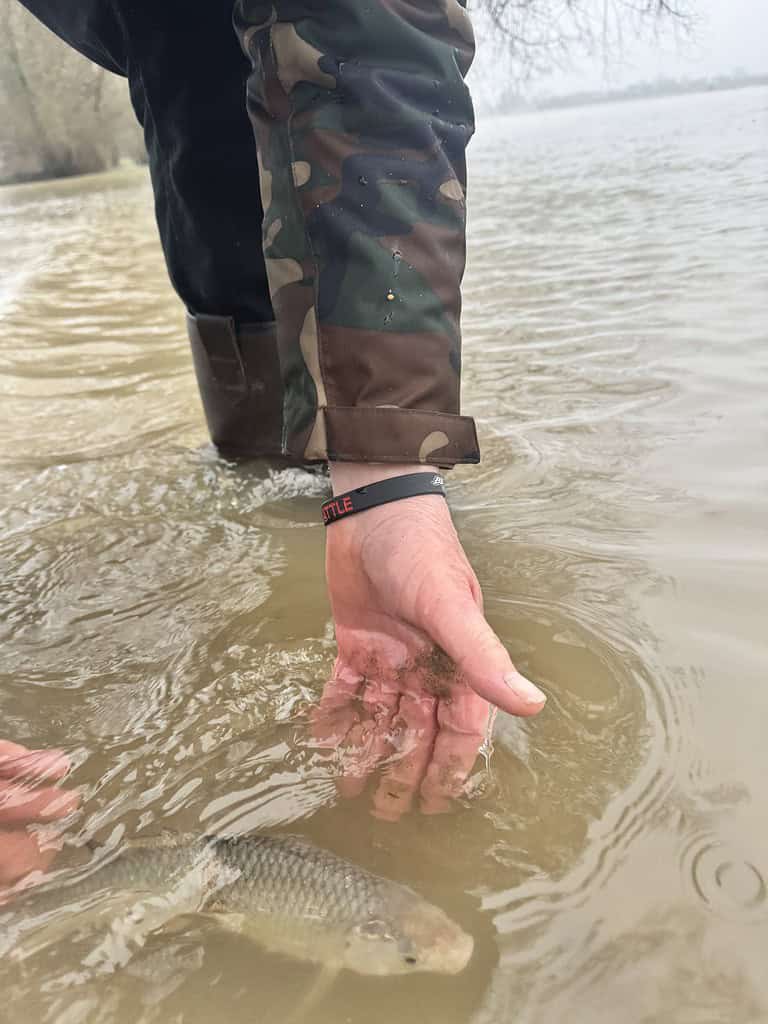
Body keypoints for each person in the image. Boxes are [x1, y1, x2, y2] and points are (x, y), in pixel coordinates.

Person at [4, 0, 547, 879]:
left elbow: (371, 35)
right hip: (151, 31)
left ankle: (336, 491)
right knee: (209, 149)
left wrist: (386, 476)